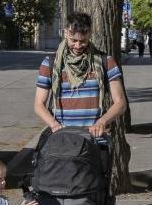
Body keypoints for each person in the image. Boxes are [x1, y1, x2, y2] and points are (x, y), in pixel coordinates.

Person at [33, 12, 127, 140]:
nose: (77, 46)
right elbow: (39, 104)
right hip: (61, 140)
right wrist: (53, 124)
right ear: (66, 33)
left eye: (83, 41)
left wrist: (102, 122)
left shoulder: (105, 62)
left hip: (95, 141)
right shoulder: (50, 63)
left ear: (89, 34)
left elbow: (120, 103)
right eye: (73, 40)